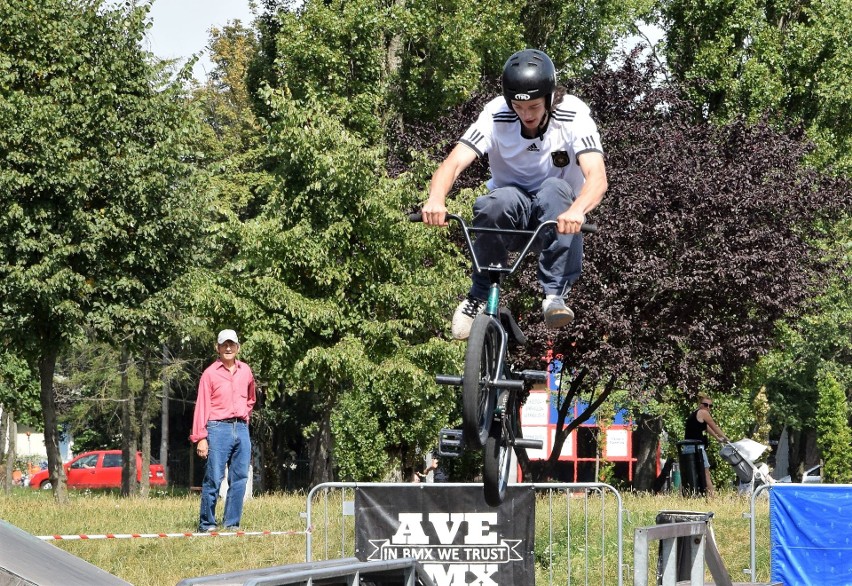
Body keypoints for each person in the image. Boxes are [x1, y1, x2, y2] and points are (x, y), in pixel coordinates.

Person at [421, 49, 608, 340]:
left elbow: (597, 176)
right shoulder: (496, 114)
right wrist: (436, 199)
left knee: (555, 189)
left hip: (555, 220)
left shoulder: (573, 115)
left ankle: (554, 295)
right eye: (519, 107)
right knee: (496, 201)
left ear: (549, 97)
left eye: (534, 106)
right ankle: (479, 296)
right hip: (511, 217)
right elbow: (453, 163)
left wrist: (578, 210)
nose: (526, 115)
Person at [190, 329, 256, 532]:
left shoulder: (246, 370)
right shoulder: (210, 373)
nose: (228, 348)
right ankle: (207, 524)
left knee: (240, 478)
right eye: (224, 345)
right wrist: (201, 437)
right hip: (218, 428)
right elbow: (202, 406)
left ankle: (231, 524)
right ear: (217, 348)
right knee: (214, 477)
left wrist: (245, 413)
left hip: (241, 428)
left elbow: (251, 397)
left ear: (238, 347)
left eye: (232, 344)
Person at [684, 393, 729, 497]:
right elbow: (714, 426)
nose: (708, 408)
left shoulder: (695, 414)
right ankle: (712, 497)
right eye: (705, 404)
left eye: (710, 406)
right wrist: (726, 438)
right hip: (697, 447)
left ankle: (683, 496)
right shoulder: (703, 413)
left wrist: (717, 438)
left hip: (687, 447)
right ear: (700, 404)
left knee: (688, 472)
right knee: (706, 473)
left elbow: (706, 427)